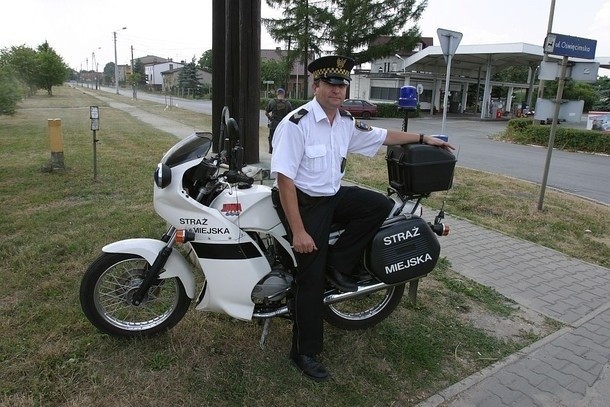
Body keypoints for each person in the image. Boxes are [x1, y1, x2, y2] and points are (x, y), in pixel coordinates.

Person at [270, 55, 454, 382]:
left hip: (330, 195)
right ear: (317, 86)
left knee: (377, 205)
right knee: (309, 279)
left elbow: (383, 136)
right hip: (302, 201)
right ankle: (304, 351)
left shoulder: (344, 122)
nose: (337, 91)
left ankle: (338, 264)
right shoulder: (296, 124)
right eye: (330, 84)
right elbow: (284, 180)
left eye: (342, 86)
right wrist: (299, 231)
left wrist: (424, 139)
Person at [265, 88, 293, 153]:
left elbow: (266, 112)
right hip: (284, 126)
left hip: (274, 124)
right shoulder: (288, 103)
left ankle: (271, 151)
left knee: (272, 138)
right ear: (284, 94)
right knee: (283, 139)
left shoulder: (272, 102)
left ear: (277, 94)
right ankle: (282, 151)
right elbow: (291, 114)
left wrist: (270, 118)